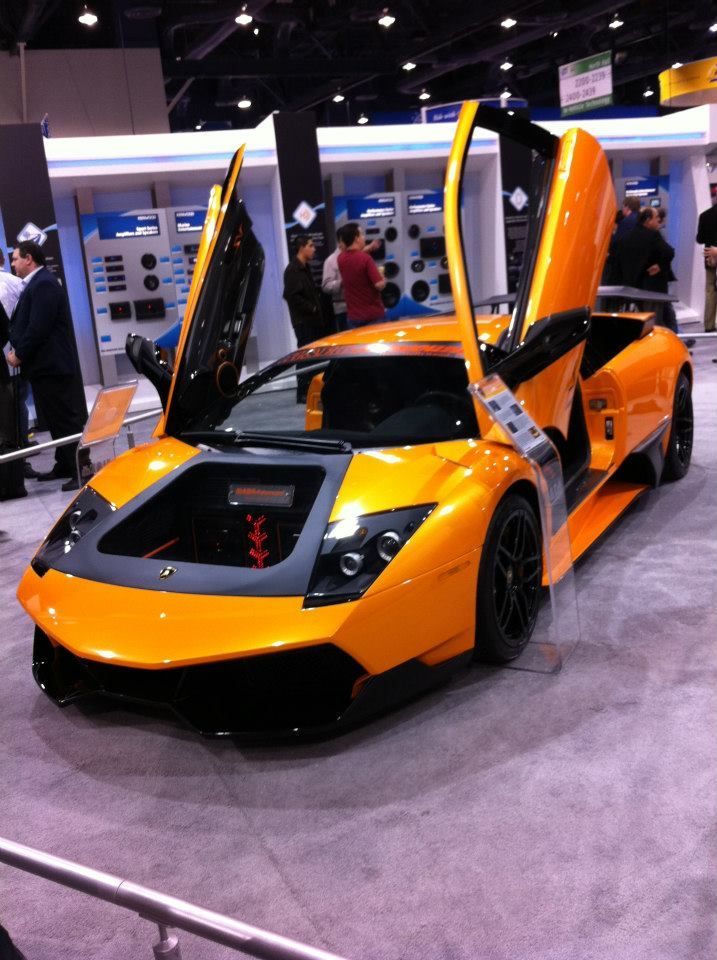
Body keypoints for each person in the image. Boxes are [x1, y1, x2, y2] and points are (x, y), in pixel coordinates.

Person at [8, 241, 88, 491]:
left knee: (66, 420)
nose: (12, 264)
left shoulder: (43, 284)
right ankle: (64, 464)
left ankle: (82, 469)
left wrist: (19, 353)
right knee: (55, 419)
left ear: (28, 258)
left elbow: (39, 326)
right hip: (45, 367)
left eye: (15, 259)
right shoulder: (37, 283)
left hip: (52, 366)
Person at [282, 235, 325, 402]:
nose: (314, 248)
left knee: (311, 356)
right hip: (303, 321)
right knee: (305, 356)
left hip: (311, 320)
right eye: (311, 245)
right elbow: (290, 296)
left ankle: (309, 390)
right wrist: (312, 308)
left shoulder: (304, 268)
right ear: (301, 247)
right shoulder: (293, 270)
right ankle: (302, 392)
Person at [337, 222, 386, 328]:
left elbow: (353, 256)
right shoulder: (366, 259)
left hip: (353, 318)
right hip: (373, 317)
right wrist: (383, 278)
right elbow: (379, 285)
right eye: (362, 234)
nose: (364, 237)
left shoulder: (340, 258)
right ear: (356, 238)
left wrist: (368, 248)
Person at [695, 197, 717, 332]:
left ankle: (709, 325)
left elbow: (700, 239)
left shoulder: (704, 215)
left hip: (709, 257)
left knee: (710, 290)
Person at [322, 231, 348, 331]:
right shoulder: (331, 260)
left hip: (358, 308)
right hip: (342, 309)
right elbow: (326, 286)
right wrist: (340, 283)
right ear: (341, 241)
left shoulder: (355, 257)